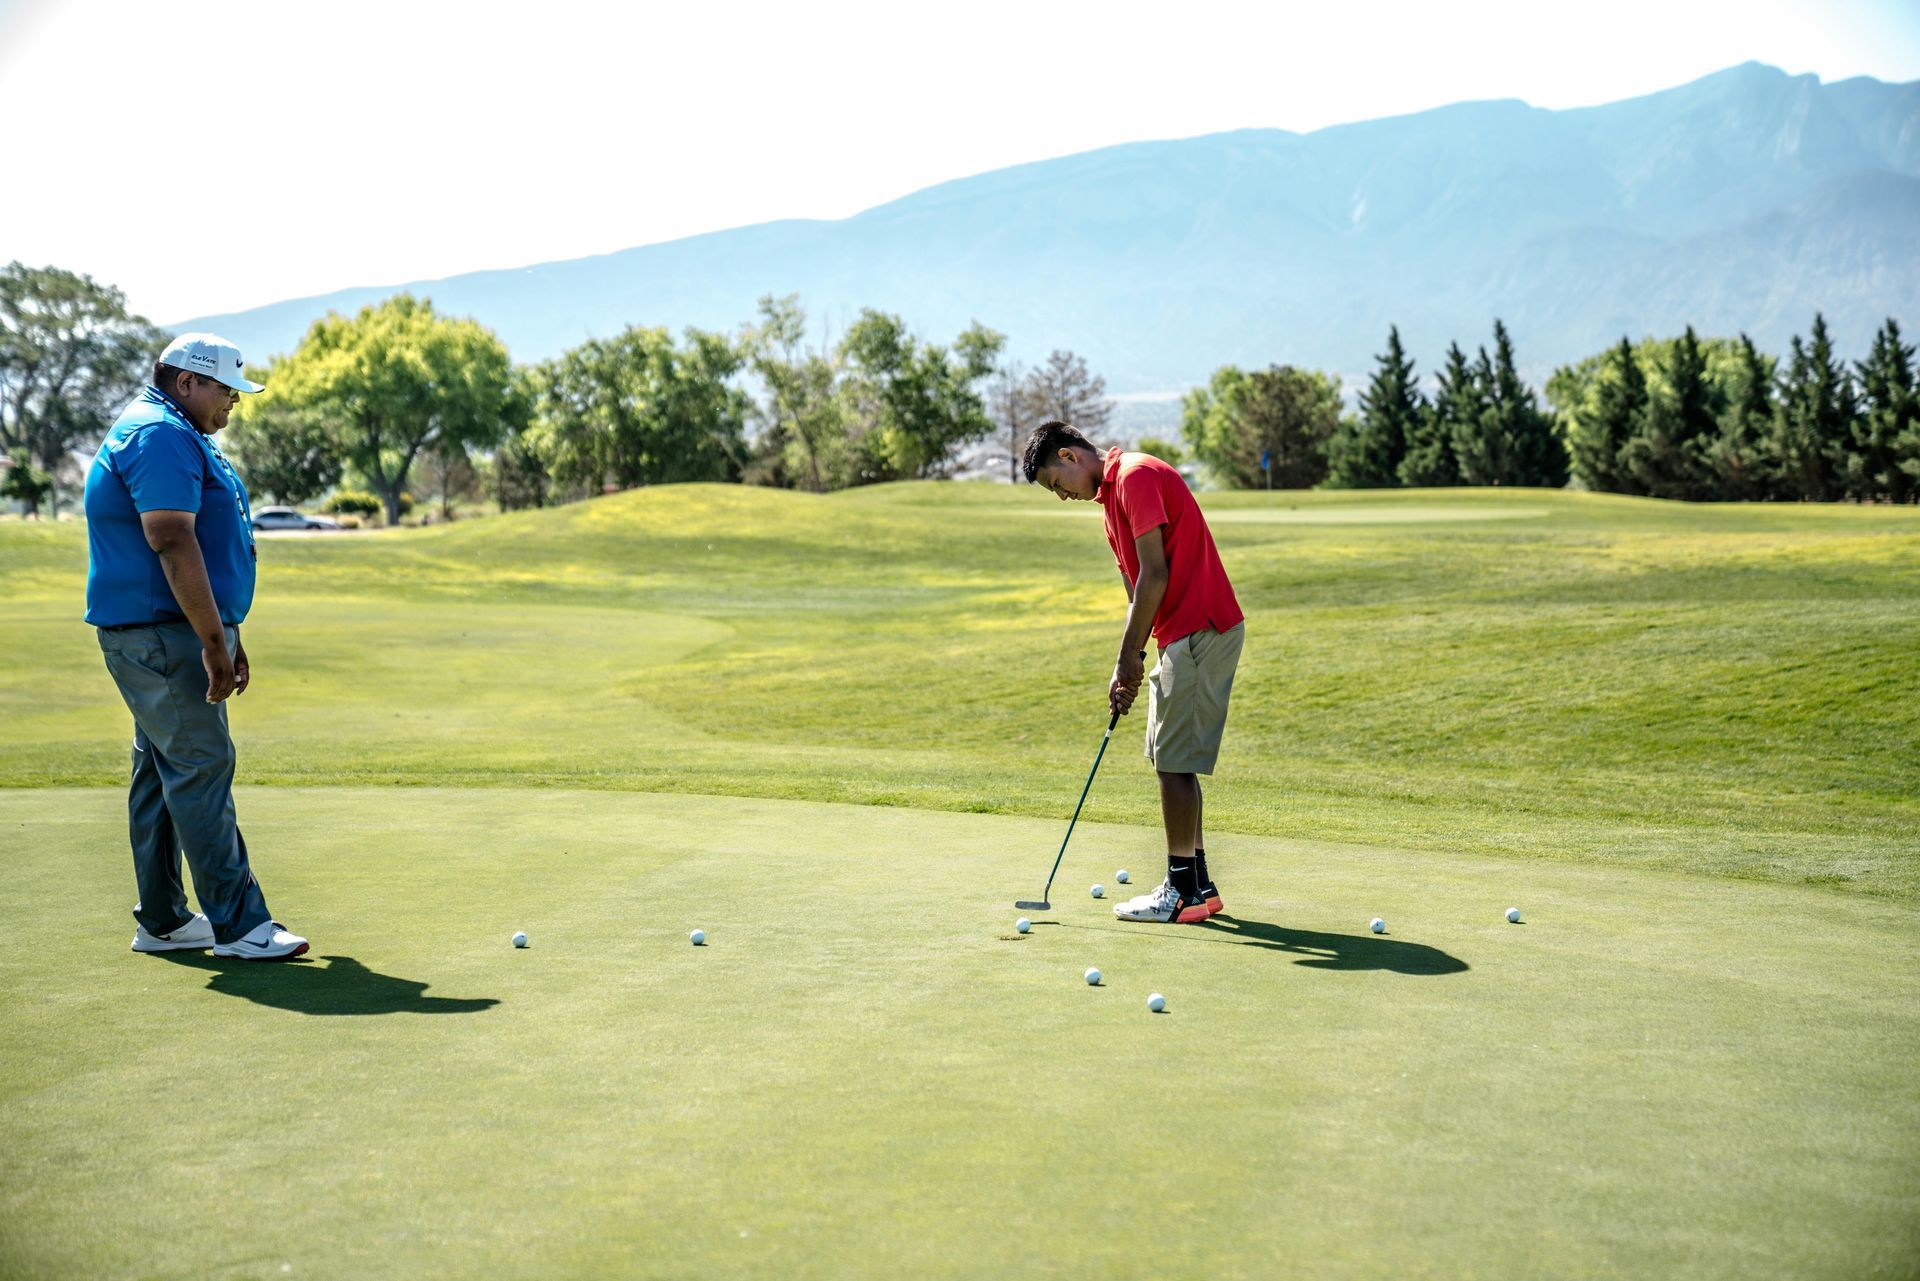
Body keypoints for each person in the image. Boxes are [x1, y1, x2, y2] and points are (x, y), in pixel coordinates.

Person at [83, 333, 308, 960]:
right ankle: (239, 925)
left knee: (160, 772)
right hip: (163, 633)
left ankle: (164, 921)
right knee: (202, 768)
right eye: (226, 389)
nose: (233, 402)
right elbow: (171, 539)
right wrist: (212, 639)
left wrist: (226, 631)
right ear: (187, 381)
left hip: (171, 629)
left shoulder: (177, 432)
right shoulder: (160, 434)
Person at [1023, 419, 1245, 924]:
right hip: (1178, 634)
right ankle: (1200, 884)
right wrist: (1130, 661)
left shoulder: (1137, 477)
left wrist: (1129, 656)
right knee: (1171, 758)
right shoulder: (1110, 504)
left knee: (1172, 761)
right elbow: (1136, 591)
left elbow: (1157, 573)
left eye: (1058, 485)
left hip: (1200, 626)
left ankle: (1181, 890)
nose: (1062, 497)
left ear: (1070, 456)